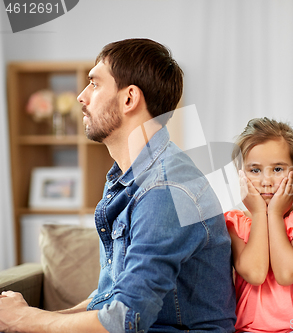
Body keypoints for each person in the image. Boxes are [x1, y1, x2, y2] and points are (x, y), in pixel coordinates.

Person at [0, 38, 236, 332]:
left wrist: (26, 319)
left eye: (95, 84)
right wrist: (28, 317)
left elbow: (125, 319)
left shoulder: (165, 189)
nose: (81, 97)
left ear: (129, 99)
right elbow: (110, 298)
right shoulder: (128, 180)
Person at [225, 117, 293, 333]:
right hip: (248, 329)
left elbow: (286, 273)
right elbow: (255, 273)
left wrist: (275, 215)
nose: (266, 180)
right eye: (255, 170)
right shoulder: (234, 223)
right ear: (240, 174)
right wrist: (260, 213)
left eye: (278, 169)